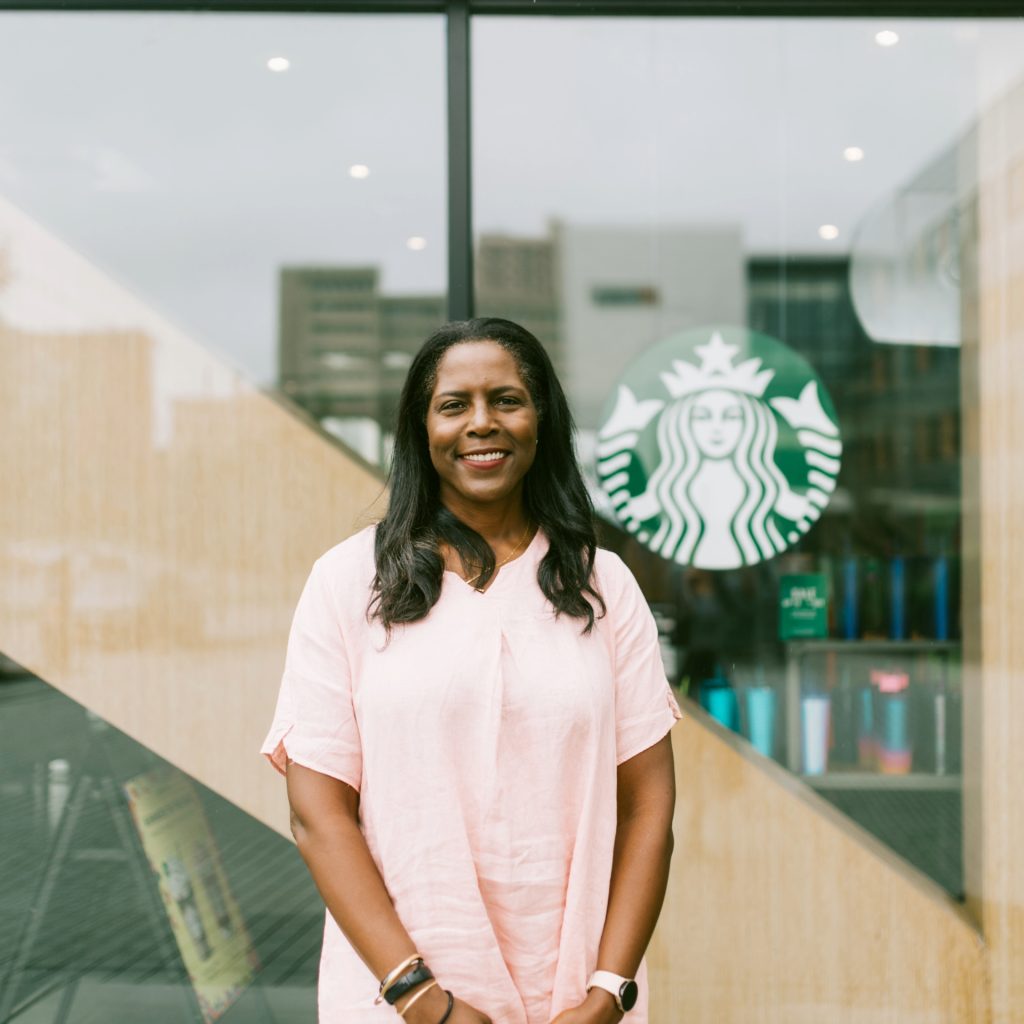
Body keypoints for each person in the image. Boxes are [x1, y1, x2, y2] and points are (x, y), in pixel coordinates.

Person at [261, 318, 682, 1024]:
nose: (481, 423)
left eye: (507, 400)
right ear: (421, 429)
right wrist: (423, 1001)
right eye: (454, 404)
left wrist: (609, 993)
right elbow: (316, 813)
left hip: (575, 997)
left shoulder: (602, 585)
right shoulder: (347, 582)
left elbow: (649, 810)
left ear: (541, 420)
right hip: (398, 1002)